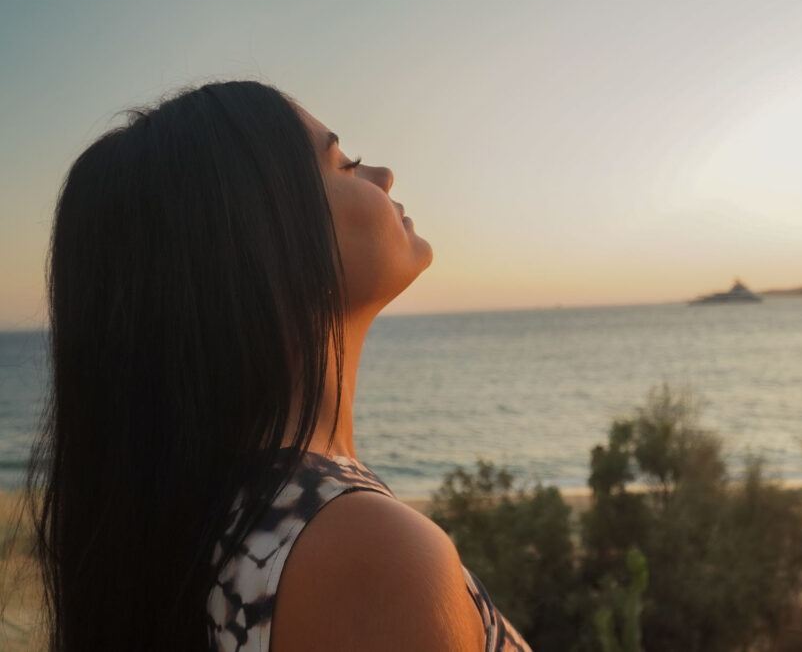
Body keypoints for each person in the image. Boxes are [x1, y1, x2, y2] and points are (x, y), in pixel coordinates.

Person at [29, 81, 531, 652]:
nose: (384, 175)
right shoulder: (366, 552)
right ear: (257, 237)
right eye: (346, 164)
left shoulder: (205, 518)